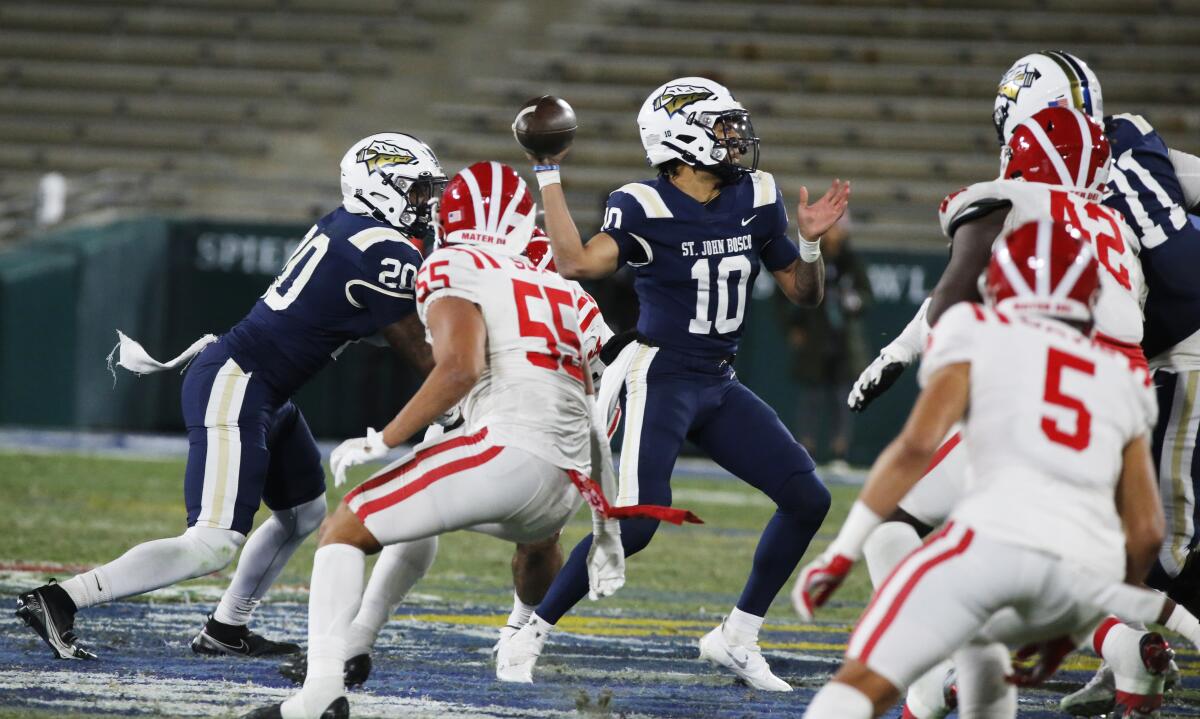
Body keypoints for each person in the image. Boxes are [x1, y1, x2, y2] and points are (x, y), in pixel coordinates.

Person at [241, 161, 687, 719]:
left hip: (508, 450)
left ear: (453, 218)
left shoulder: (452, 261)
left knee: (346, 527)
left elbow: (457, 370)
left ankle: (319, 694)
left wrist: (384, 438)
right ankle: (399, 643)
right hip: (567, 478)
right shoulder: (562, 287)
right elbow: (609, 374)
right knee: (435, 496)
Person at [843, 51, 1200, 716]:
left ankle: (925, 677)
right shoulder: (1125, 186)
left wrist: (915, 355)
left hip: (1063, 397)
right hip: (1117, 397)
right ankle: (1126, 650)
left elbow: (957, 293)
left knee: (904, 528)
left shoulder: (1010, 200)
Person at [15, 132, 444, 661]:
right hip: (240, 383)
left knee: (304, 514)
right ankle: (60, 599)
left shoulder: (356, 227)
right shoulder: (383, 249)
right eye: (419, 191)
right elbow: (422, 354)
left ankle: (226, 628)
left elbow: (369, 319)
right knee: (211, 543)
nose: (428, 204)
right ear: (382, 188)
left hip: (264, 388)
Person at [495, 76, 848, 691]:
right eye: (721, 127)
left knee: (808, 498)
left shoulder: (758, 194)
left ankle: (737, 638)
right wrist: (547, 172)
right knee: (636, 524)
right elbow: (577, 263)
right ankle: (528, 633)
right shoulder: (642, 204)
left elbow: (803, 293)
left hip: (718, 380)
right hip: (657, 375)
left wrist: (811, 246)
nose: (736, 138)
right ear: (681, 139)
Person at [797, 218, 1172, 719]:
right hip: (1074, 560)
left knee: (871, 672)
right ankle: (1121, 641)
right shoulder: (1126, 380)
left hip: (982, 550)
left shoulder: (978, 327)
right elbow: (1146, 533)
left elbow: (912, 449)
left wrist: (838, 556)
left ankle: (928, 692)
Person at [274, 228, 622, 689]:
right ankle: (356, 642)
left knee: (530, 542)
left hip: (550, 422)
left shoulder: (561, 300)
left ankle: (519, 631)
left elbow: (604, 384)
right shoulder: (486, 278)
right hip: (480, 408)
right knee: (408, 508)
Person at [782, 213, 872, 468]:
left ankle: (839, 452)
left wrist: (852, 301)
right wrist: (794, 326)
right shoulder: (811, 257)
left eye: (837, 229)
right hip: (816, 337)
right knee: (811, 397)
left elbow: (866, 296)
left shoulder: (852, 261)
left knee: (842, 397)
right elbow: (788, 295)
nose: (833, 234)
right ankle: (805, 449)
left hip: (843, 339)